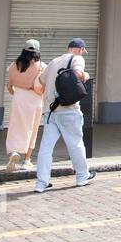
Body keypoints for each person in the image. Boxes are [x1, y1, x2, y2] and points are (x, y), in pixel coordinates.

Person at [33, 39, 95, 192]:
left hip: (50, 111)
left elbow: (40, 80)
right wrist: (85, 76)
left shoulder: (54, 61)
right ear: (80, 49)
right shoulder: (77, 59)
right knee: (75, 143)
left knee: (46, 147)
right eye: (83, 50)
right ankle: (82, 176)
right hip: (68, 109)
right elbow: (78, 73)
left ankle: (41, 183)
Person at [5, 39, 45, 172]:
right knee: (32, 129)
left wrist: (16, 93)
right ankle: (27, 160)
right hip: (34, 99)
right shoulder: (41, 67)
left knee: (15, 126)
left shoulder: (14, 65)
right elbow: (43, 86)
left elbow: (9, 86)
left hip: (18, 97)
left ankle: (14, 152)